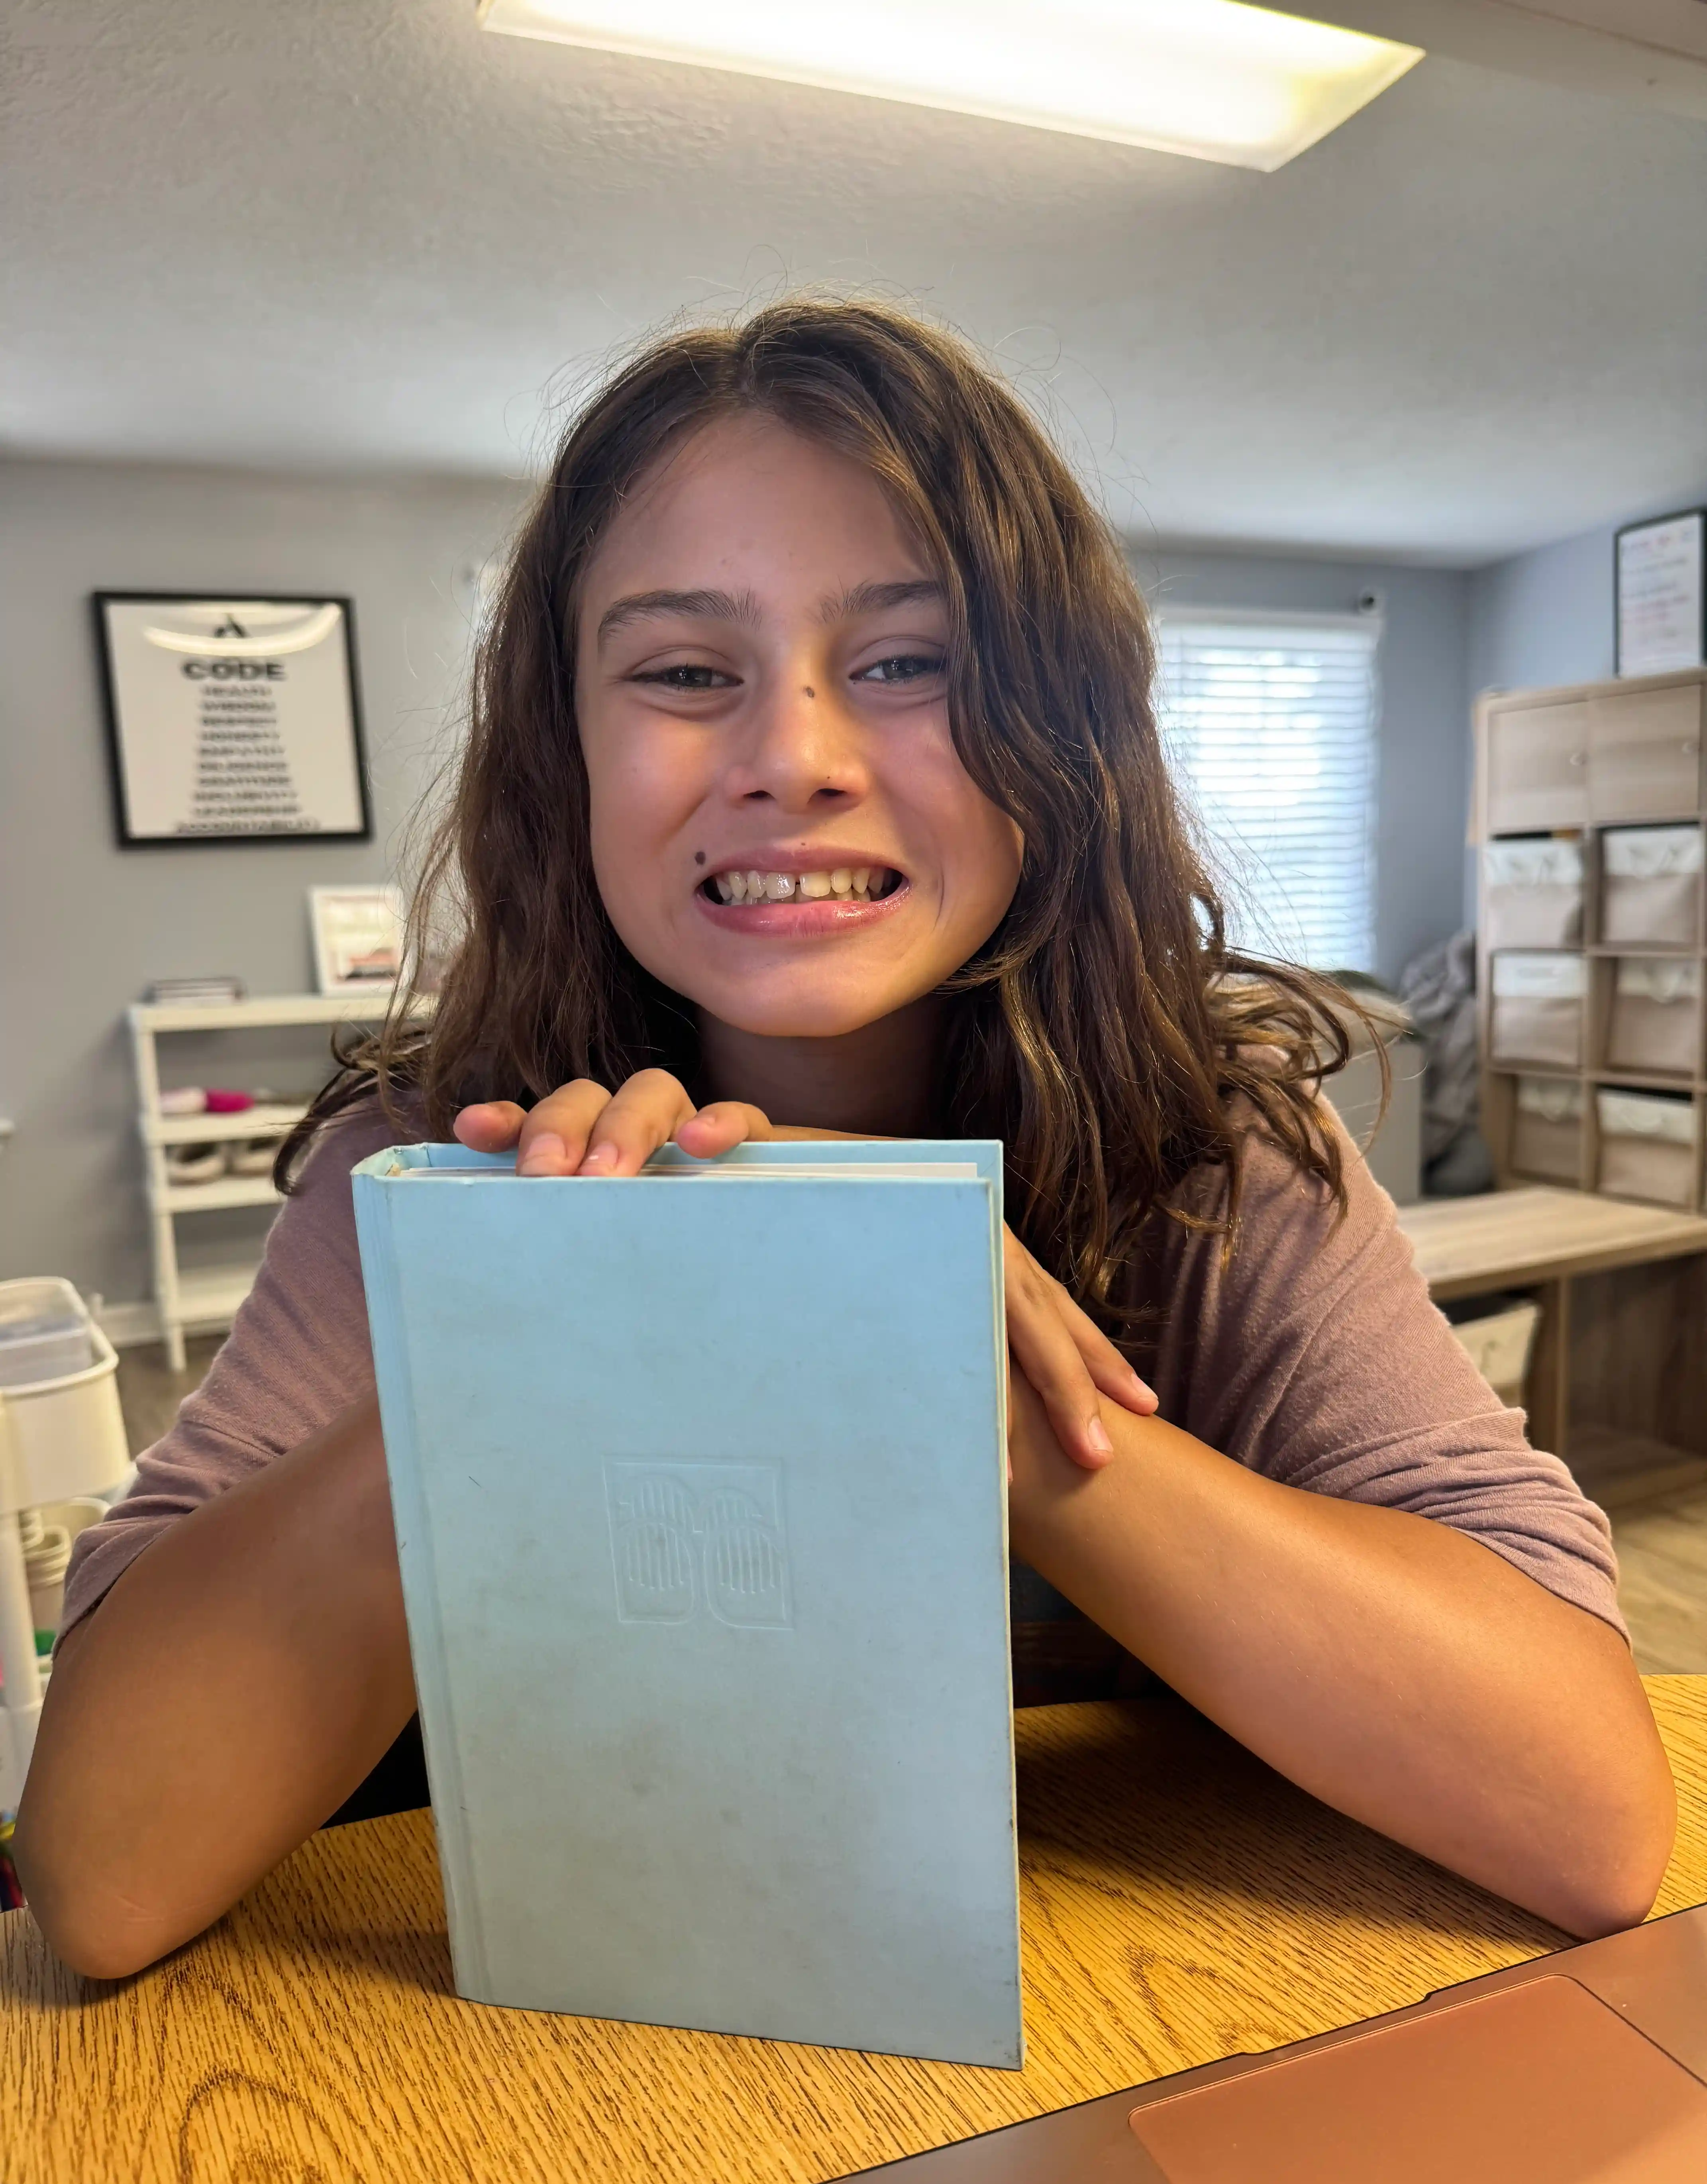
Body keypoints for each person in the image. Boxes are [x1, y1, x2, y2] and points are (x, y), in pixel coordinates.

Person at [16, 301, 1673, 1976]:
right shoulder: (433, 1161)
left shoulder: (1212, 1151)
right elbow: (103, 1874)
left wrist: (941, 1359)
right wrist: (511, 1338)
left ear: (1060, 744)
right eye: (684, 674)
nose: (791, 760)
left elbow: (1588, 1814)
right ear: (564, 749)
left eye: (906, 664)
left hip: (1110, 2004)